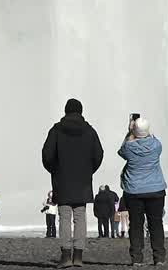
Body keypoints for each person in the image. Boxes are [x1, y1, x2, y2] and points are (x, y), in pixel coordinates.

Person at [43, 98, 104, 268]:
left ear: (65, 111)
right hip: (83, 181)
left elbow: (47, 155)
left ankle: (65, 256)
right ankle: (78, 256)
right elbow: (98, 154)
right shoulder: (90, 131)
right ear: (81, 111)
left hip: (62, 180)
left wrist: (55, 170)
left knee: (64, 218)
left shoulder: (56, 130)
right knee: (80, 217)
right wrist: (88, 170)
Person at [119, 116, 166, 267]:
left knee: (136, 225)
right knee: (156, 224)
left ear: (134, 130)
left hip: (134, 191)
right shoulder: (156, 146)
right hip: (156, 190)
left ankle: (137, 258)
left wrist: (130, 132)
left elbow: (122, 151)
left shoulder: (129, 147)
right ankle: (159, 258)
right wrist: (142, 131)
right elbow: (152, 137)